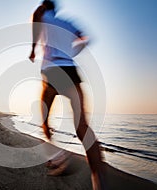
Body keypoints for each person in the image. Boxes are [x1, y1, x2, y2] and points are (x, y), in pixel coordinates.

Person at [29, 1, 106, 189]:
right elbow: (86, 38)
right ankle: (98, 180)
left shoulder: (42, 14)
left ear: (45, 6)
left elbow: (35, 20)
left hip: (52, 70)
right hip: (70, 69)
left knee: (45, 120)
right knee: (82, 126)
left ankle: (58, 156)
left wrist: (32, 49)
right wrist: (74, 50)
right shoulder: (67, 23)